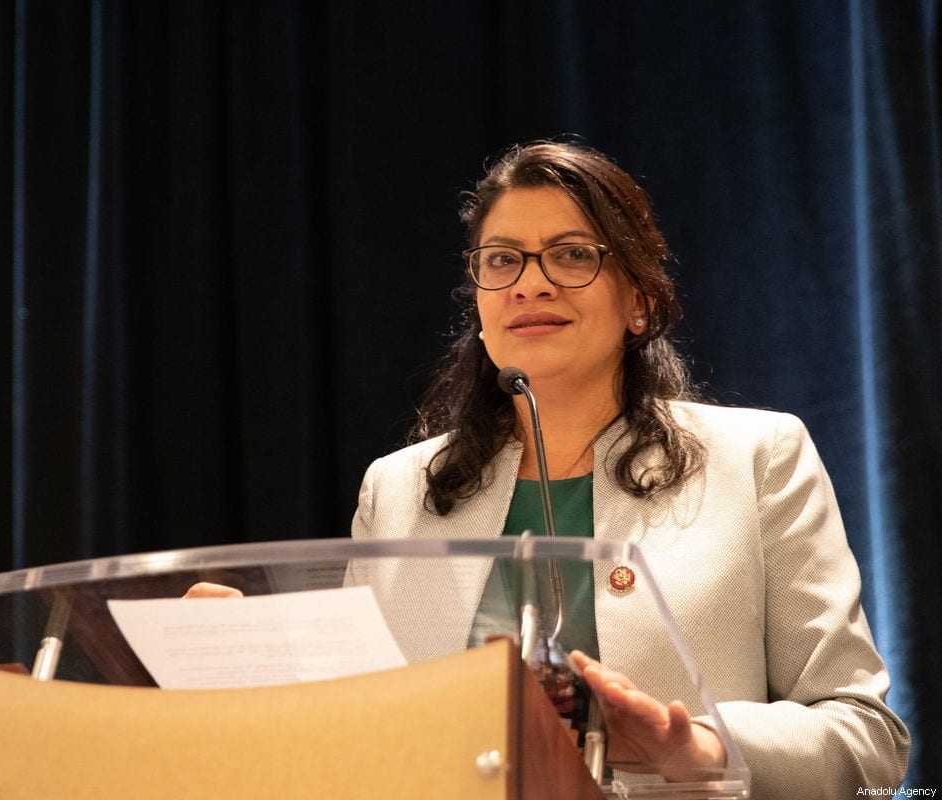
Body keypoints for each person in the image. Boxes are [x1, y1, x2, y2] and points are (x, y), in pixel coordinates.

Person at [349, 141, 910, 797]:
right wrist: (239, 657)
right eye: (501, 261)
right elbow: (355, 736)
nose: (531, 282)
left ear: (638, 301)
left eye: (572, 254)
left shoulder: (758, 458)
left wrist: (696, 747)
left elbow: (866, 742)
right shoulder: (394, 490)